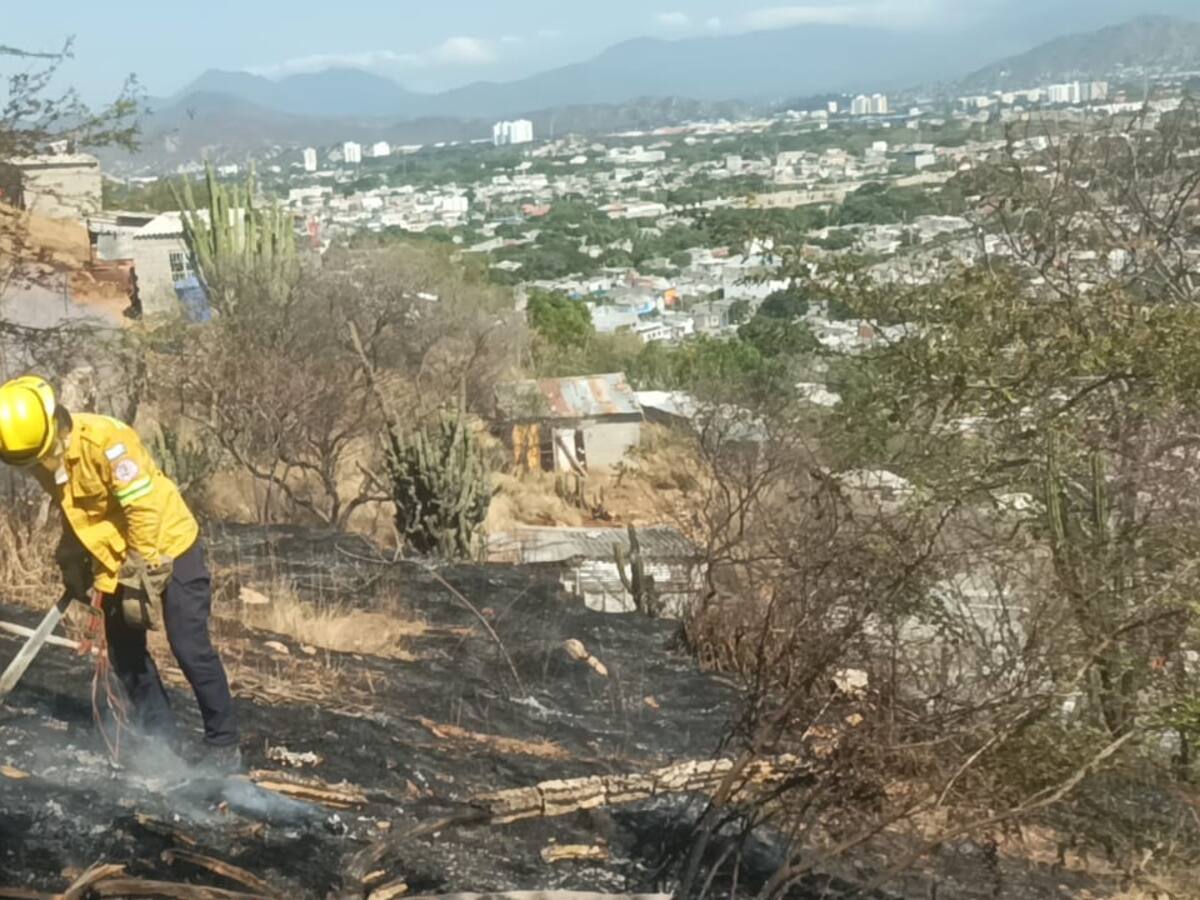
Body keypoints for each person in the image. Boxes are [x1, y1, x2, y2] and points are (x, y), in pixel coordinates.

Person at [0, 375, 241, 771]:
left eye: (40, 456)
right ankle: (163, 745)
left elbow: (141, 510)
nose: (38, 467)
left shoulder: (108, 441)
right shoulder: (41, 460)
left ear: (55, 425)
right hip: (115, 561)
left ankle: (224, 747)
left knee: (188, 646)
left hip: (169, 547)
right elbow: (74, 513)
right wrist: (72, 559)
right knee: (126, 656)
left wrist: (142, 575)